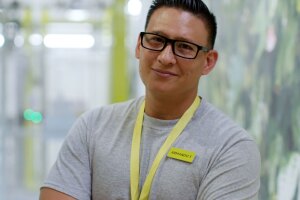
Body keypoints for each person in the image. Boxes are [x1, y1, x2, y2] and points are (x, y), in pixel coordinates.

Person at [40, 0, 261, 199]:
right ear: (139, 46)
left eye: (184, 47)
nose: (165, 57)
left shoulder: (231, 148)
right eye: (156, 40)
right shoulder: (92, 127)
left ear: (208, 62)